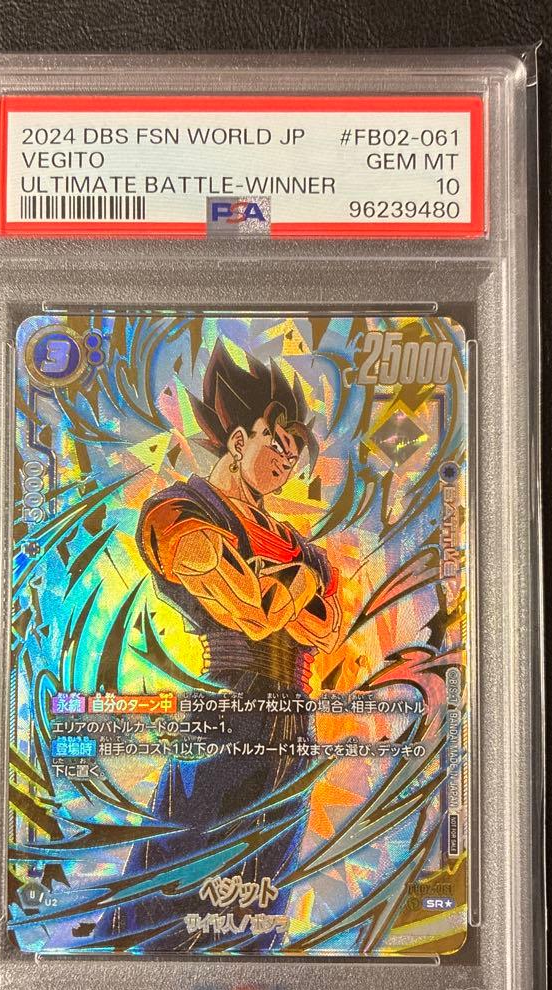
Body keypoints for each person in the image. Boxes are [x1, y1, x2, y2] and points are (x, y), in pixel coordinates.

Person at [99, 341, 341, 951]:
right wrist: (296, 586)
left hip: (292, 731)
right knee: (173, 891)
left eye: (295, 450)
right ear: (237, 440)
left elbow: (325, 628)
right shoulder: (181, 511)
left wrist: (284, 585)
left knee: (259, 909)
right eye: (276, 442)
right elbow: (252, 614)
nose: (287, 460)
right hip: (223, 719)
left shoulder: (298, 545)